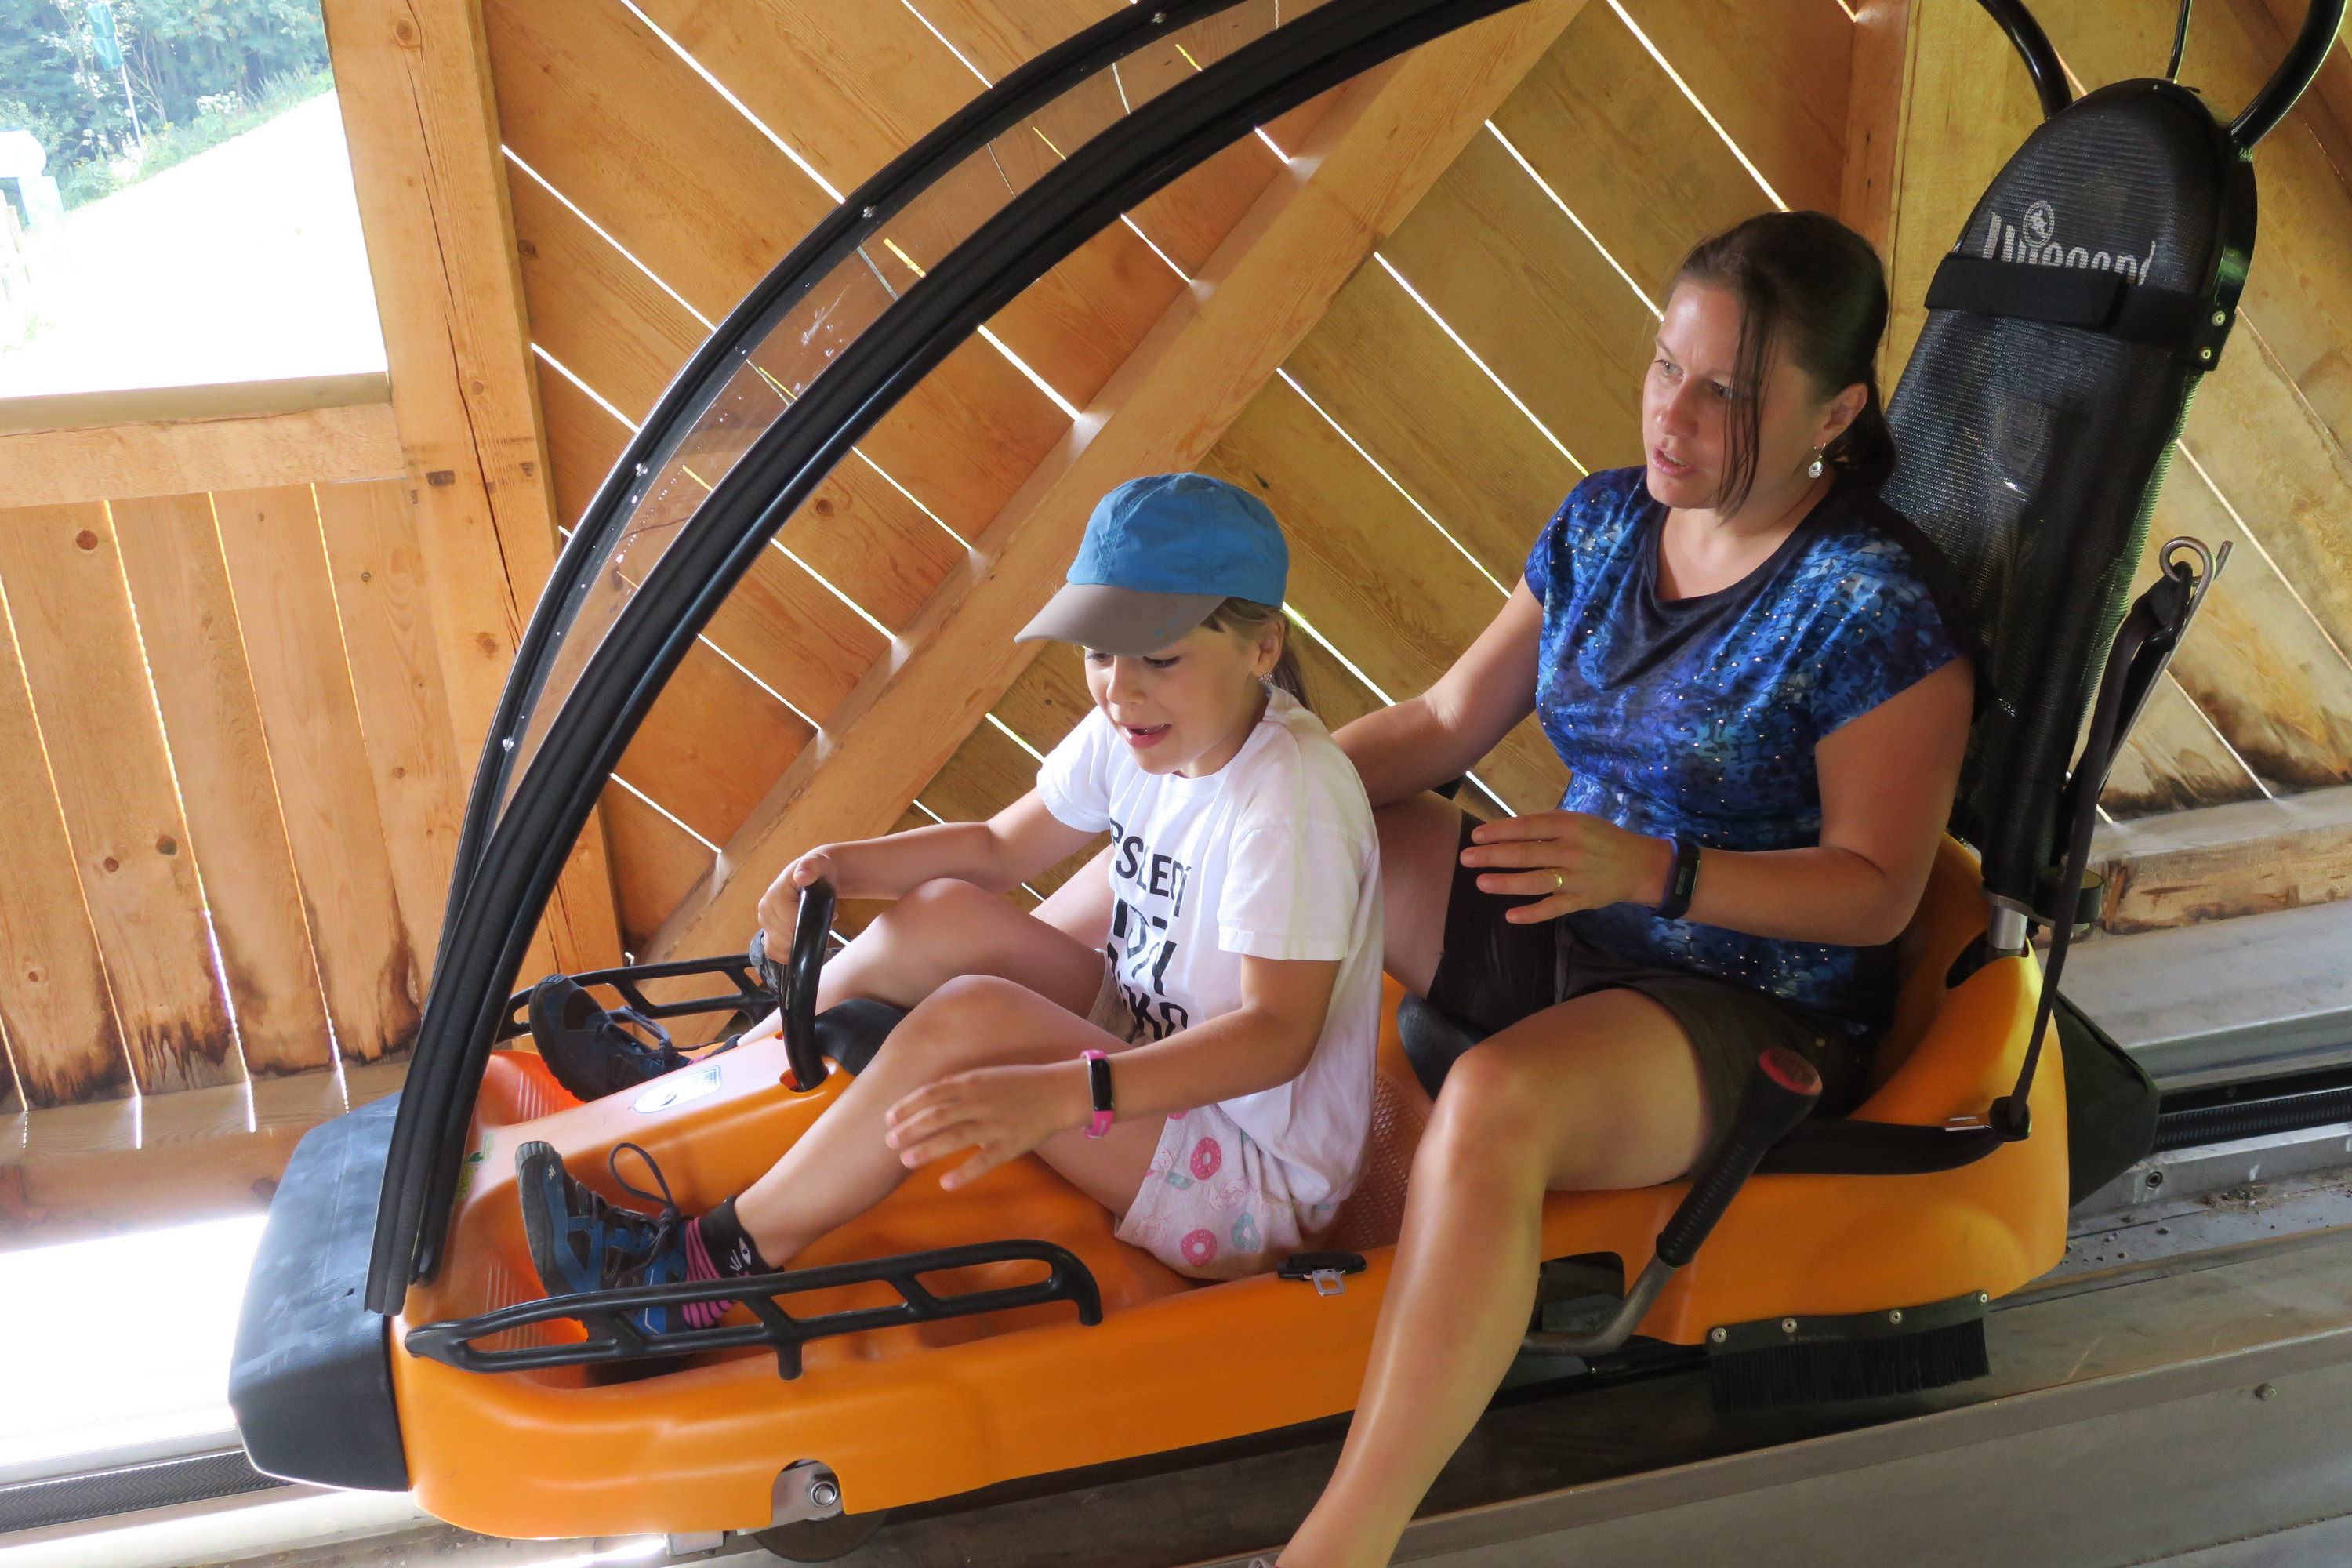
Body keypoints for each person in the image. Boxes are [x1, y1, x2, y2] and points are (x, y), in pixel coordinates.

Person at [1270, 210, 1976, 1566]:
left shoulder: (1873, 606)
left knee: (1492, 1104)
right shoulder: (1605, 521)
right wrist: (1244, 796)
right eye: (1667, 366)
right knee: (1309, 824)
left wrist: (1661, 870)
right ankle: (1053, 1017)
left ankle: (1339, 1548)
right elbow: (1442, 722)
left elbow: (1879, 892)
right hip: (1571, 906)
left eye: (1729, 393)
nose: (1675, 415)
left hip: (1743, 999)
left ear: (1836, 413)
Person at [512, 473, 1385, 1327]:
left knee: (973, 1018)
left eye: (1159, 656)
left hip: (1248, 1180)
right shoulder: (1144, 728)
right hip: (1149, 1040)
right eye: (1098, 653)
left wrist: (1067, 1093)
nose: (1120, 688)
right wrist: (839, 866)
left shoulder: (1293, 798)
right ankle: (705, 1079)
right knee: (941, 914)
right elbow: (998, 849)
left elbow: (1278, 1034)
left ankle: (698, 1274)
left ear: (1262, 646)